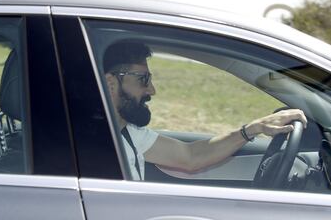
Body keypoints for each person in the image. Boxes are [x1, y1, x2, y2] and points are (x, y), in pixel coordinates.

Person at [103, 40, 307, 180]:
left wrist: (254, 128)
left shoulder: (127, 133)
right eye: (143, 79)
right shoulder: (88, 144)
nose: (152, 90)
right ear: (110, 84)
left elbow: (190, 156)